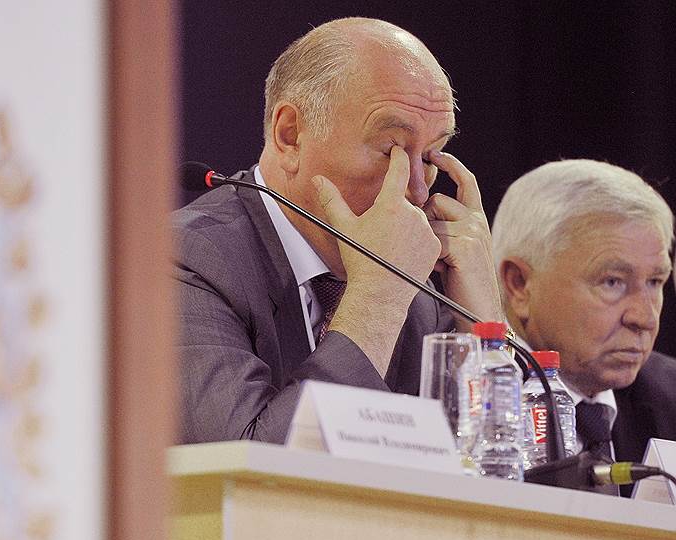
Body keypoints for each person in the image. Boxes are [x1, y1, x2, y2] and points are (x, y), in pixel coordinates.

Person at [174, 18, 504, 444]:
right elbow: (248, 461)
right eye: (391, 149)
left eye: (429, 157)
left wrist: (486, 327)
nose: (418, 191)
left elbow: (524, 471)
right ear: (290, 136)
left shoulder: (421, 288)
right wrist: (378, 297)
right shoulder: (188, 259)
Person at [492, 159, 676, 496]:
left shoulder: (670, 397)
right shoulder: (459, 388)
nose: (645, 318)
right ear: (519, 284)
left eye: (655, 282)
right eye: (612, 281)